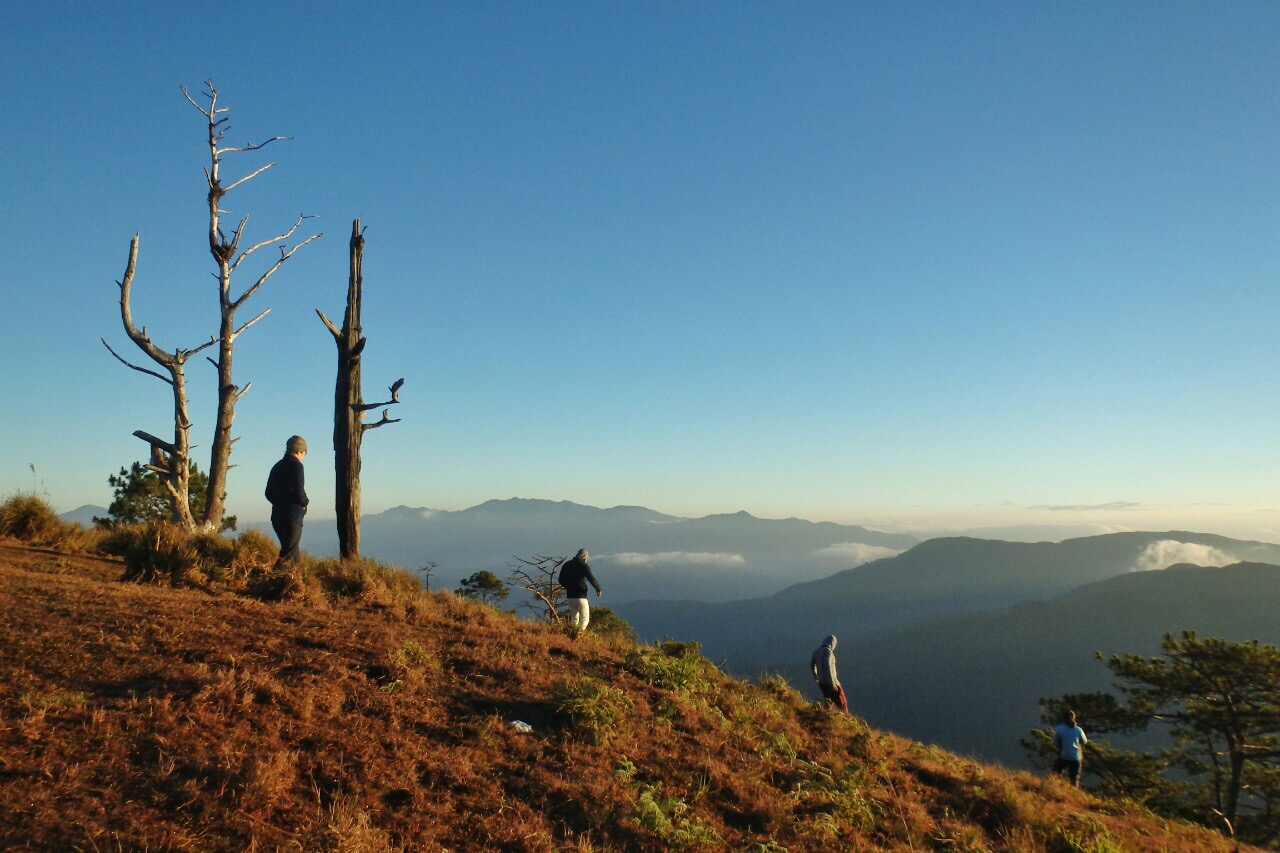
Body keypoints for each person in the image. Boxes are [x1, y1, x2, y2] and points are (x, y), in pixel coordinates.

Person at [264, 435, 309, 569]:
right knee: (287, 555)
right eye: (304, 453)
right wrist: (305, 503)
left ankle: (296, 584)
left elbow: (268, 493)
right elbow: (299, 491)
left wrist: (279, 503)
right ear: (300, 451)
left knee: (293, 554)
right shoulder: (297, 466)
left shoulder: (277, 466)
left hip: (277, 516)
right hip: (293, 517)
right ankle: (270, 586)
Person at [558, 548, 602, 632]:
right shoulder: (584, 566)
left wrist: (569, 587)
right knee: (585, 620)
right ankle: (578, 635)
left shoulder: (567, 564)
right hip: (581, 596)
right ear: (585, 557)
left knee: (574, 620)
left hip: (570, 597)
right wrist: (598, 589)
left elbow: (560, 580)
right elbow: (591, 579)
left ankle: (571, 636)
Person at [810, 634, 849, 714]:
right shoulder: (829, 653)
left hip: (822, 682)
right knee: (843, 702)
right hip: (832, 682)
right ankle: (846, 719)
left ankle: (827, 717)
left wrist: (816, 677)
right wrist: (833, 684)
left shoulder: (816, 652)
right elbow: (828, 668)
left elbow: (812, 665)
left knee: (828, 701)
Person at [1052, 709, 1088, 786]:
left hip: (1064, 755)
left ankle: (1055, 787)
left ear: (1064, 718)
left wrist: (1060, 746)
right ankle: (1074, 792)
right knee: (1074, 777)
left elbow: (1055, 742)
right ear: (1074, 718)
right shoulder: (1078, 729)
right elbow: (1084, 741)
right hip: (1076, 757)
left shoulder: (1059, 729)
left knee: (1056, 772)